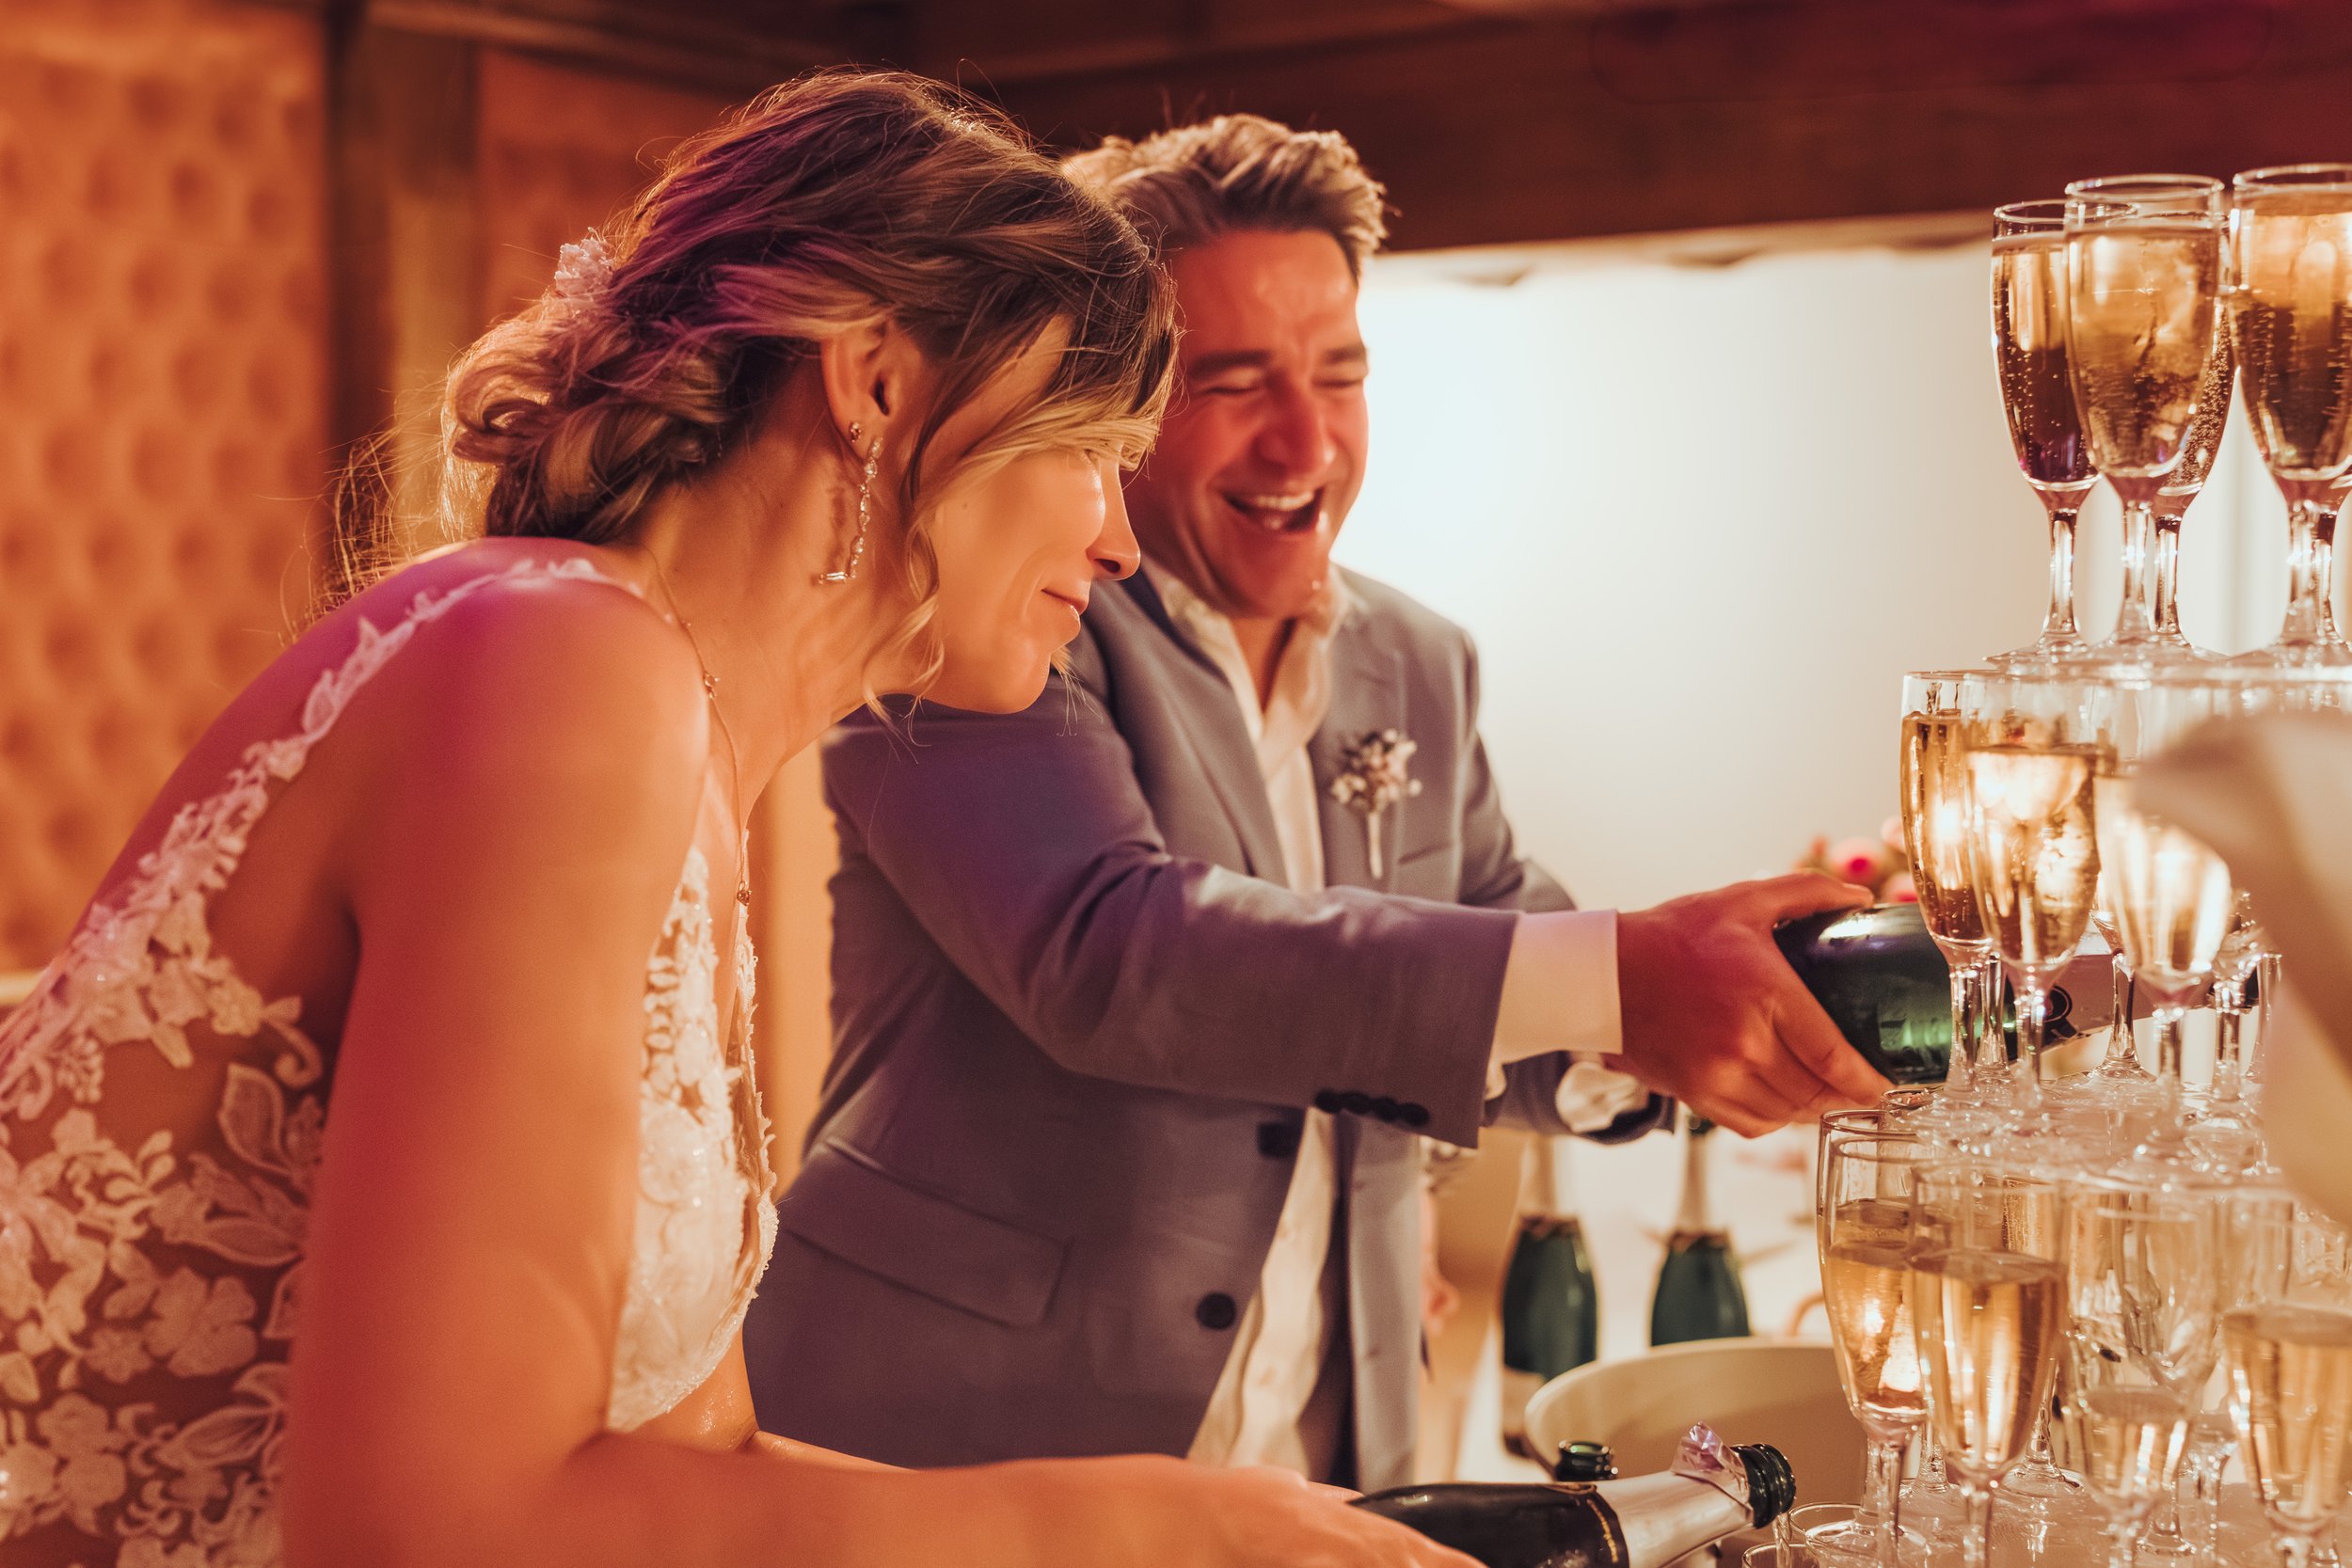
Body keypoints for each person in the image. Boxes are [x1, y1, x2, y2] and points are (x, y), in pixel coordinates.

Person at [0, 75, 1474, 1568]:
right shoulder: (562, 672)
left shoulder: (674, 732)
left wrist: (1234, 1526)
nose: (1112, 535)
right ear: (878, 385)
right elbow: (420, 1536)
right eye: (1087, 444)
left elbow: (687, 1462)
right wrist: (1126, 1528)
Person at [743, 114, 1887, 1488]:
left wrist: (1670, 1026)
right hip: (961, 1449)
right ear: (1112, 399)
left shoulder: (1420, 660)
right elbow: (1118, 954)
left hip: (1319, 1464)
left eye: (1339, 374)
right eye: (1234, 382)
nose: (1307, 439)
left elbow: (1500, 964)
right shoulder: (982, 617)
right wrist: (1624, 977)